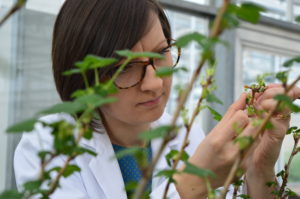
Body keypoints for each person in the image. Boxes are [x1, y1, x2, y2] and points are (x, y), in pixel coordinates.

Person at [14, 0, 300, 198]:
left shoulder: (184, 137)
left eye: (160, 52)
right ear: (83, 76)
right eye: (126, 67)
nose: (153, 83)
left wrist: (260, 167)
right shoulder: (49, 145)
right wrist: (192, 185)